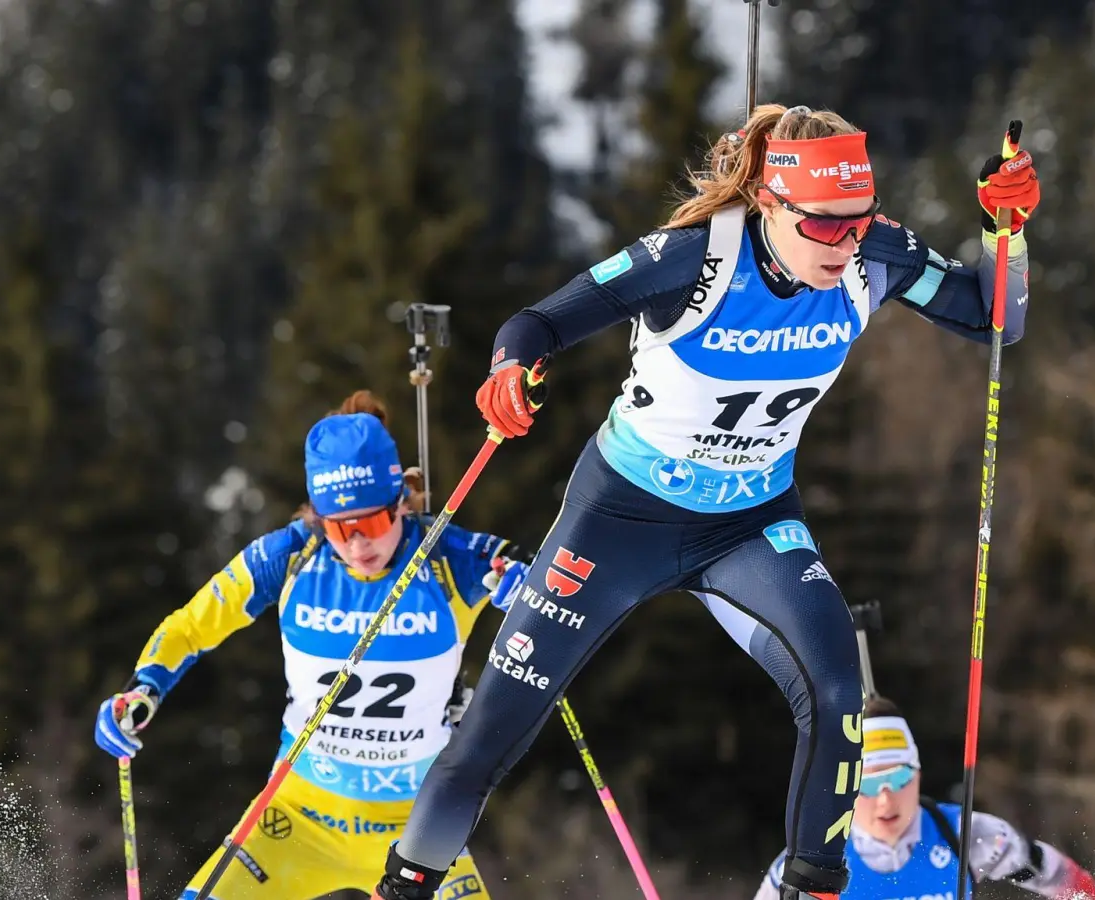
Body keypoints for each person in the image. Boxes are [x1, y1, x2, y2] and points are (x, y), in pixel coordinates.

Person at [370, 101, 1042, 900]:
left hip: (752, 525)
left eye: (858, 221)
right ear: (770, 202)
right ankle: (405, 888)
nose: (846, 243)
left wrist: (1008, 233)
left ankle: (812, 888)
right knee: (497, 725)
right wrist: (509, 370)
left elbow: (995, 315)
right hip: (621, 518)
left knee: (836, 695)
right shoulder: (691, 260)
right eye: (824, 226)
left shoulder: (876, 256)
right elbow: (538, 321)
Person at [93, 390, 530, 900]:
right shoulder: (292, 556)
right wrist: (143, 689)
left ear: (401, 503)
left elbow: (554, 583)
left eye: (372, 523)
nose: (357, 545)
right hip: (293, 818)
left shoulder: (449, 558)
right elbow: (191, 626)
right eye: (339, 528)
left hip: (418, 834)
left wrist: (526, 586)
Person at [747, 697, 1095, 900]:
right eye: (868, 785)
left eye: (899, 777)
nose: (886, 800)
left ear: (917, 775)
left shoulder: (965, 834)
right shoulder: (808, 866)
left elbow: (1062, 878)